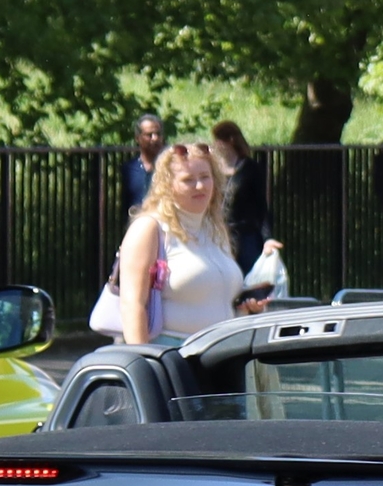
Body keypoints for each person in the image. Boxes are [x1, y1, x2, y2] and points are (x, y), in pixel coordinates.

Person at [117, 142, 267, 346]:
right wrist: (144, 363)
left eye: (205, 177)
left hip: (221, 353)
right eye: (188, 180)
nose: (200, 186)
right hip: (172, 356)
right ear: (167, 185)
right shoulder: (149, 228)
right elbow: (132, 305)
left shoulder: (215, 228)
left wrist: (245, 307)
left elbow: (214, 297)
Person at [208, 119, 282, 278]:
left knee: (250, 277)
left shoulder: (250, 169)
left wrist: (267, 238)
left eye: (217, 140)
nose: (214, 145)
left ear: (230, 141)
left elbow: (261, 207)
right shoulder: (214, 170)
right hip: (220, 233)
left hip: (245, 235)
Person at [120, 111, 166, 216]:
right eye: (149, 135)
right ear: (138, 138)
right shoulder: (129, 169)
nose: (155, 138)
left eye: (158, 134)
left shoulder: (171, 167)